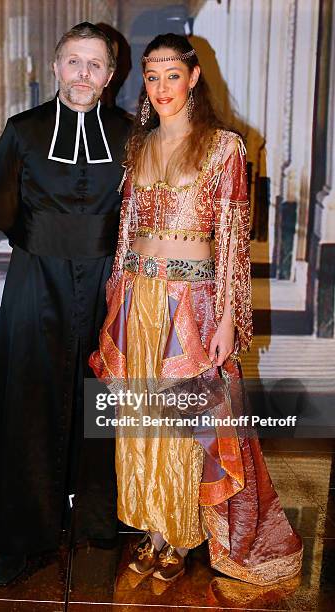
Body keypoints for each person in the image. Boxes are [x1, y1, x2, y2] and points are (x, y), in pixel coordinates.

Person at [89, 33, 303, 584]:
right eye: (152, 76)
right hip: (139, 295)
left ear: (194, 77)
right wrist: (117, 295)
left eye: (172, 75)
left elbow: (232, 238)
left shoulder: (222, 147)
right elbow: (126, 231)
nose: (161, 88)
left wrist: (230, 317)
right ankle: (152, 528)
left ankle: (181, 534)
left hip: (192, 302)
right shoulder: (138, 145)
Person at [0, 22, 132, 586]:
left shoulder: (129, 133)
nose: (84, 74)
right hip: (36, 278)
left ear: (111, 74)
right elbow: (2, 209)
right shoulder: (22, 130)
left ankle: (98, 518)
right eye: (74, 62)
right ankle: (27, 531)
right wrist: (47, 244)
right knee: (31, 395)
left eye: (96, 64)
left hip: (107, 283)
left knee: (102, 398)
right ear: (56, 65)